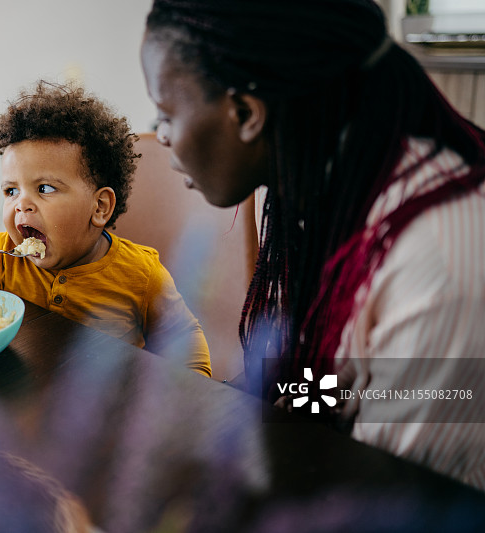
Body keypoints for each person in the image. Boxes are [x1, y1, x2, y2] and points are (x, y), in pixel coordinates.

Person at [141, 0, 485, 489]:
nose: (160, 136)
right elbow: (352, 378)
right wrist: (303, 400)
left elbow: (395, 500)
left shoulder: (436, 267)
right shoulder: (322, 188)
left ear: (245, 112)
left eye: (165, 114)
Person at [0, 81, 212, 378]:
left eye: (45, 188)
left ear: (100, 207)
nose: (21, 204)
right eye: (11, 191)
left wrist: (194, 392)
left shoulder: (141, 273)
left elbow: (182, 337)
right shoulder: (0, 258)